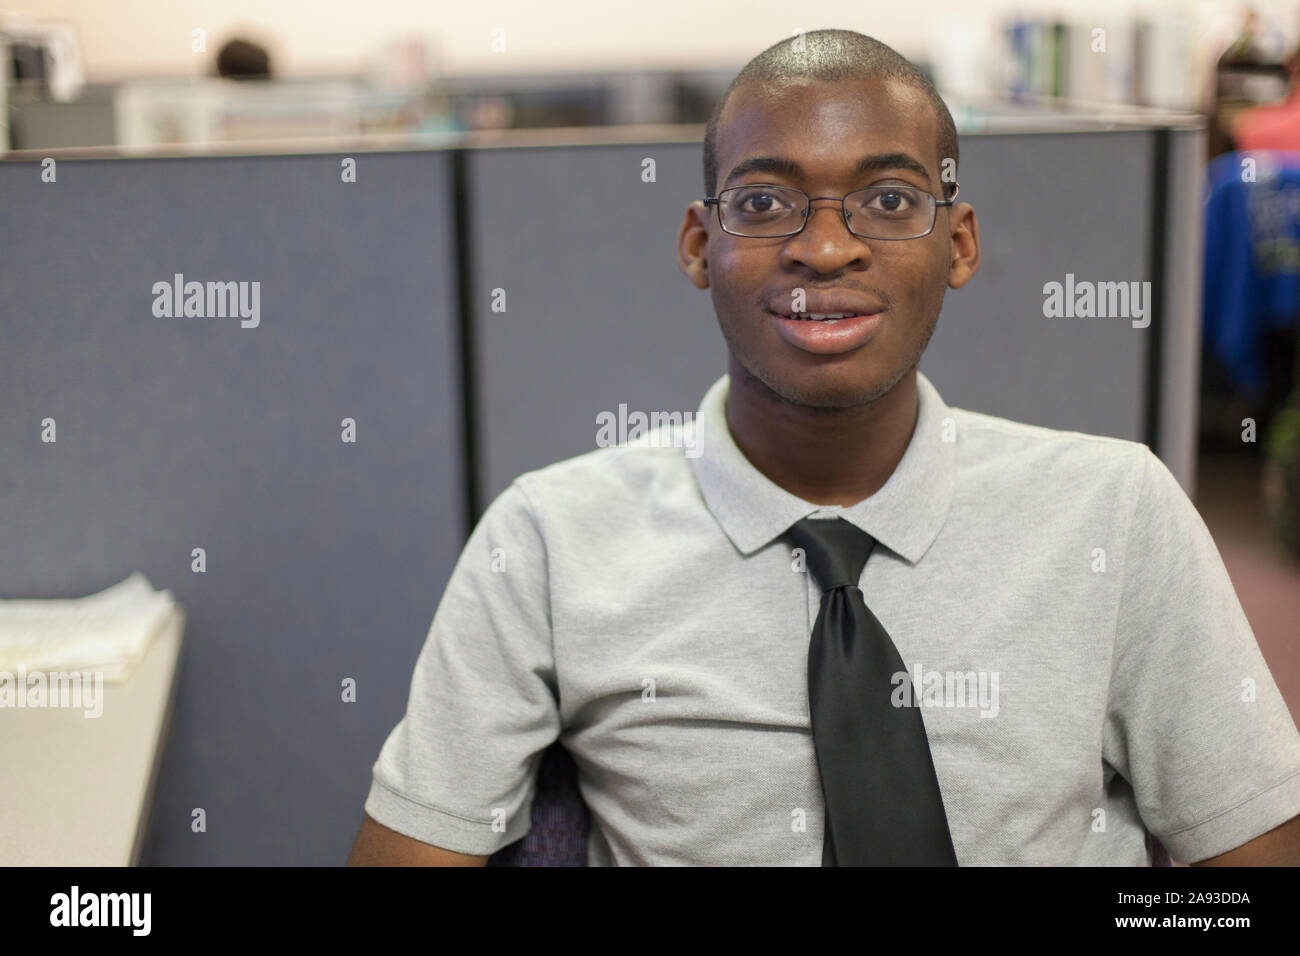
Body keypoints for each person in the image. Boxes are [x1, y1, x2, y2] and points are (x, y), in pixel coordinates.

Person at [348, 29, 1300, 866]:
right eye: (764, 205)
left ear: (959, 245)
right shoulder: (549, 539)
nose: (828, 249)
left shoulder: (1115, 512)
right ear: (697, 245)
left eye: (889, 200)